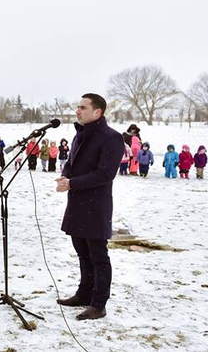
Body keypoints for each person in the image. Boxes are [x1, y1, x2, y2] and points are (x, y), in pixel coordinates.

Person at [55, 93, 123, 321]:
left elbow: (105, 173)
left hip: (96, 206)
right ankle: (84, 294)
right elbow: (72, 164)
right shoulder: (80, 134)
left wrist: (72, 183)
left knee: (98, 256)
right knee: (82, 253)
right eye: (77, 107)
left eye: (82, 107)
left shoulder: (111, 138)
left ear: (98, 112)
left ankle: (99, 303)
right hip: (76, 204)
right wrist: (65, 176)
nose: (77, 111)